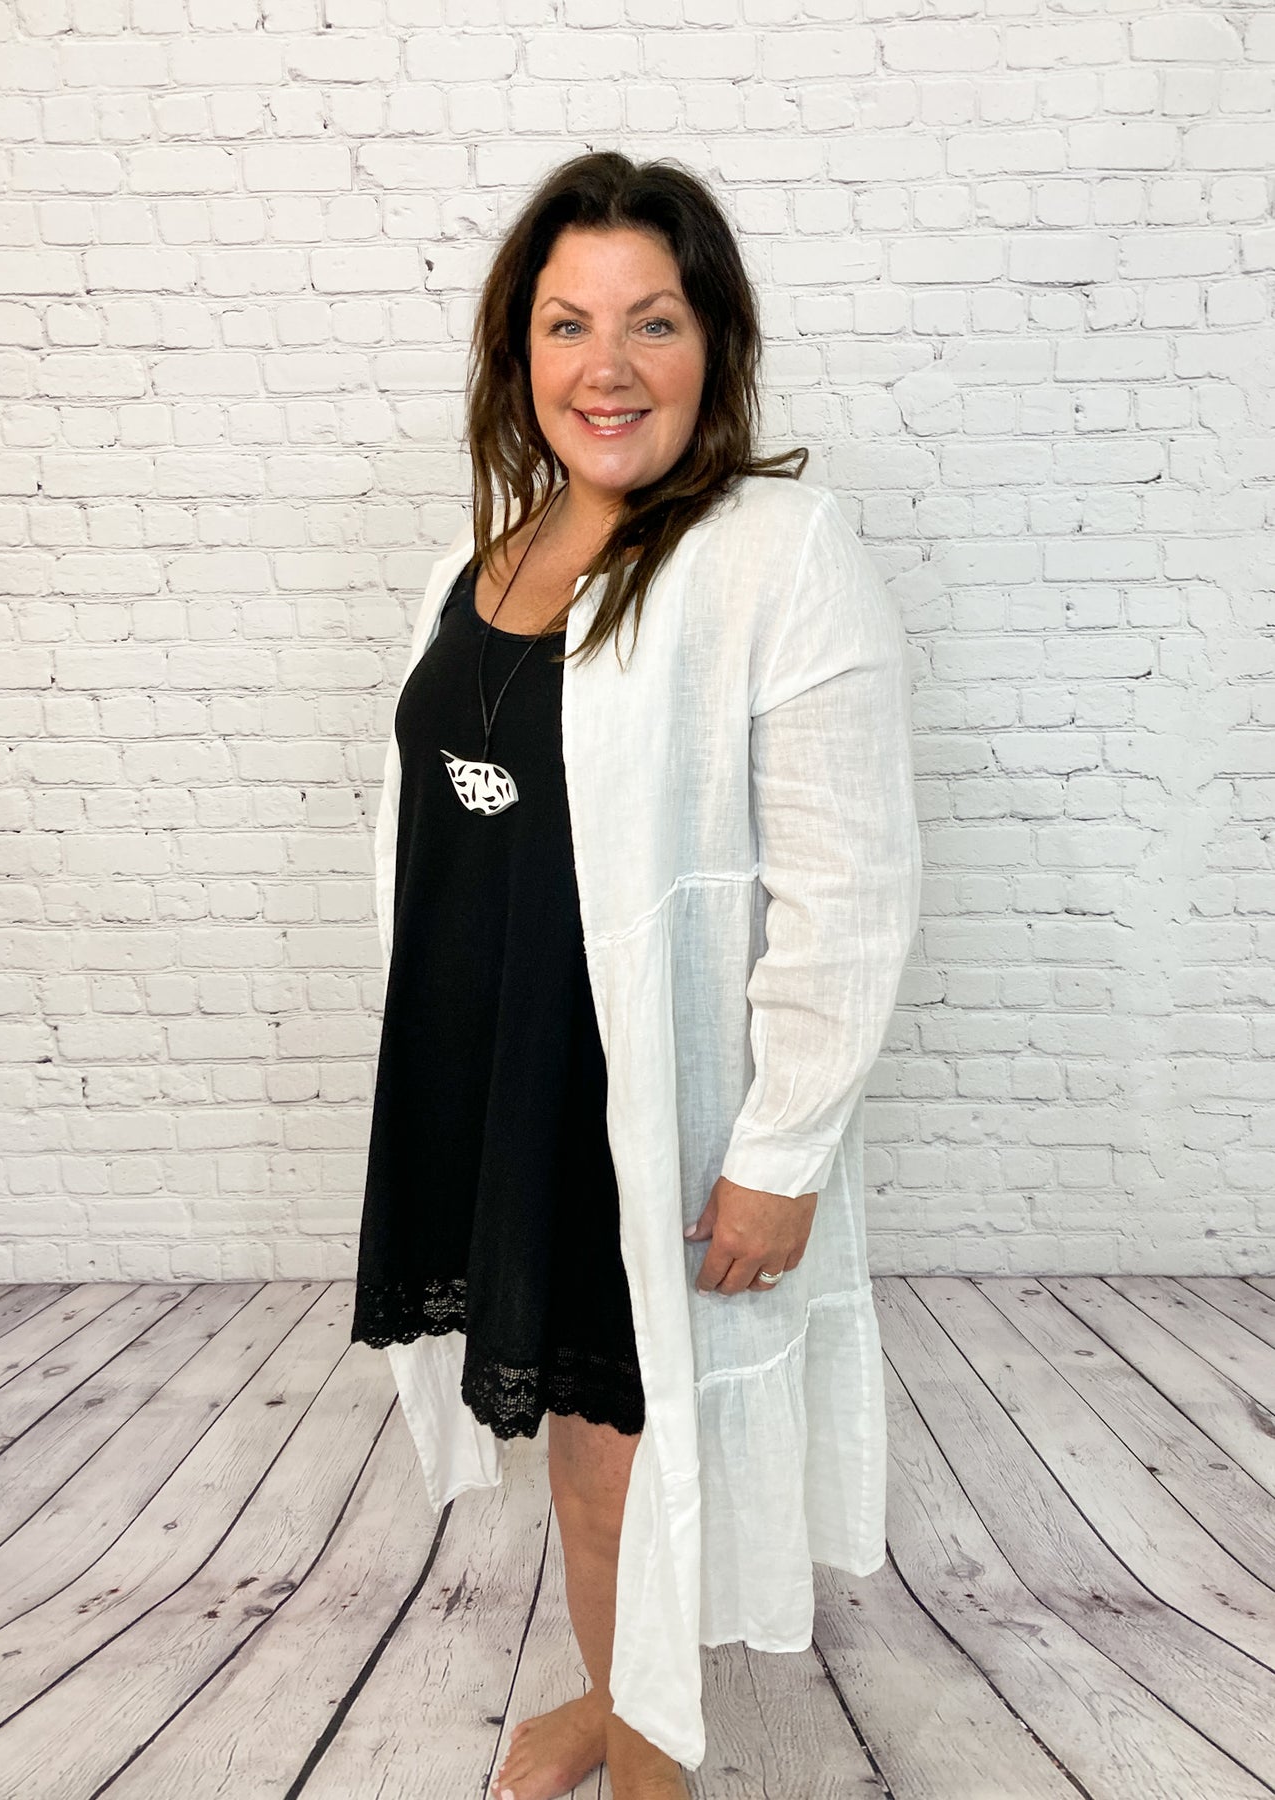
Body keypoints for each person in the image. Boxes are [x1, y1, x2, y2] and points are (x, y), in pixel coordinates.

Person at [352, 151, 922, 1800]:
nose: (607, 366)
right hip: (496, 1092)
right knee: (580, 1457)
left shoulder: (774, 553)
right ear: (517, 351)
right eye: (568, 323)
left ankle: (648, 1757)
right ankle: (618, 1701)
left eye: (653, 322)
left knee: (620, 1467)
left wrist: (780, 1151)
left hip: (641, 1114)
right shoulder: (483, 558)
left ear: (715, 343)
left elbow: (850, 884)